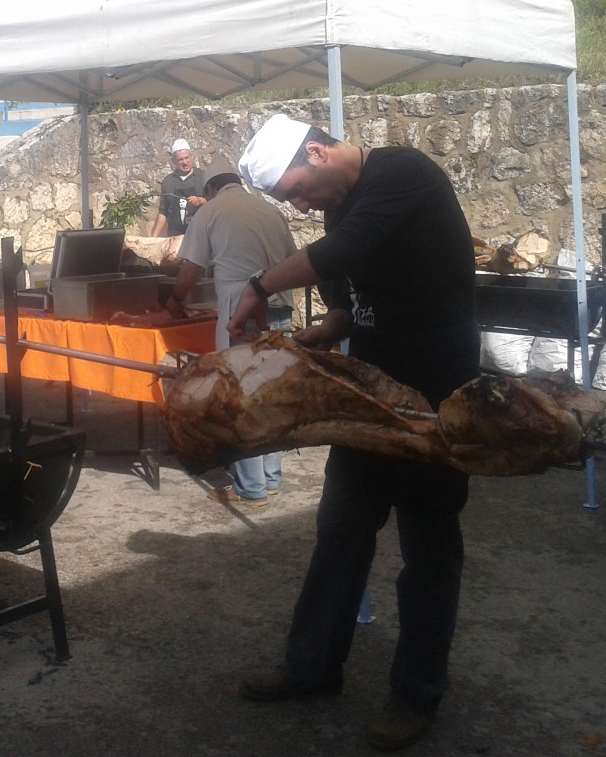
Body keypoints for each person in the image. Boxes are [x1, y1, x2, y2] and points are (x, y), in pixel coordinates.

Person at [228, 114, 479, 751]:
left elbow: (346, 252)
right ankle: (311, 667)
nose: (301, 206)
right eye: (290, 201)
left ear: (317, 151)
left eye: (296, 192)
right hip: (367, 395)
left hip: (432, 399)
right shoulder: (340, 207)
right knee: (339, 533)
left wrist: (259, 286)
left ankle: (416, 694)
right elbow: (353, 296)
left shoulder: (402, 173)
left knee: (427, 549)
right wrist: (330, 328)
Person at [165, 162, 297, 507]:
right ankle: (270, 479)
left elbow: (191, 270)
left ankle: (250, 487)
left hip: (244, 311)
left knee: (241, 397)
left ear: (209, 190)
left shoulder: (210, 211)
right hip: (280, 307)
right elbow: (293, 259)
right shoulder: (269, 209)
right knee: (271, 394)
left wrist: (175, 299)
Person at [151, 138, 206, 237]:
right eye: (180, 159)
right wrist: (153, 238)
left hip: (199, 236)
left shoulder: (203, 177)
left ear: (192, 157)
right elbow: (163, 212)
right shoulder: (168, 182)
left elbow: (215, 204)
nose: (184, 162)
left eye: (186, 157)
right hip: (174, 237)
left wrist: (202, 201)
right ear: (173, 161)